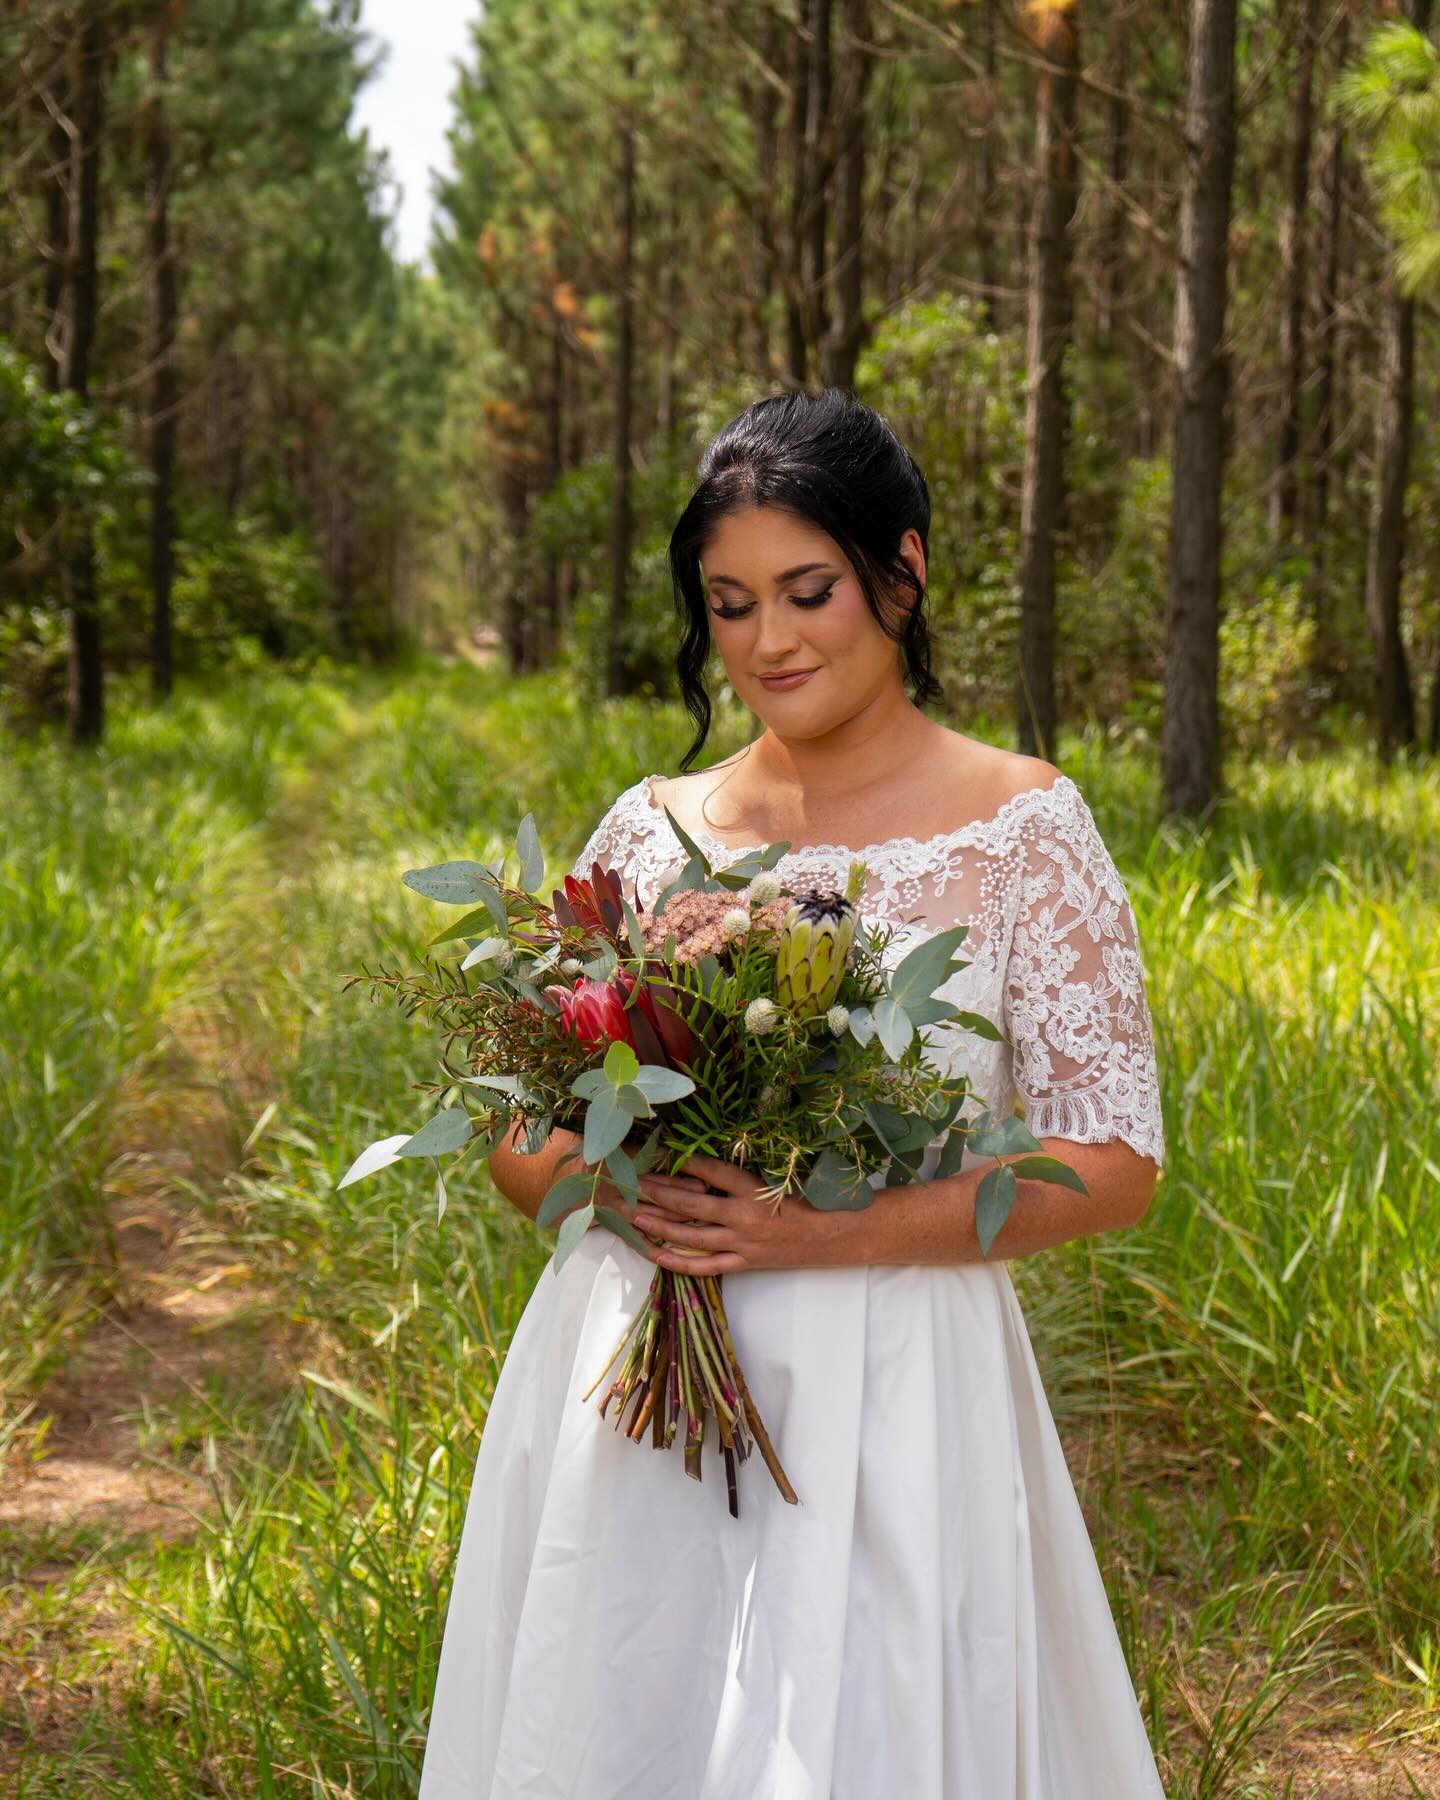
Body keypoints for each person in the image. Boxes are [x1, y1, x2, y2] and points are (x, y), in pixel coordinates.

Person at [417, 388, 1168, 1799]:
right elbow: (526, 1131)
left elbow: (1116, 1160)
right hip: (636, 1387)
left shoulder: (1023, 831)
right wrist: (635, 1196)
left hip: (896, 1392)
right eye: (730, 603)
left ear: (906, 568)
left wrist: (823, 1235)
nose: (769, 641)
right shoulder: (651, 832)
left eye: (807, 591)